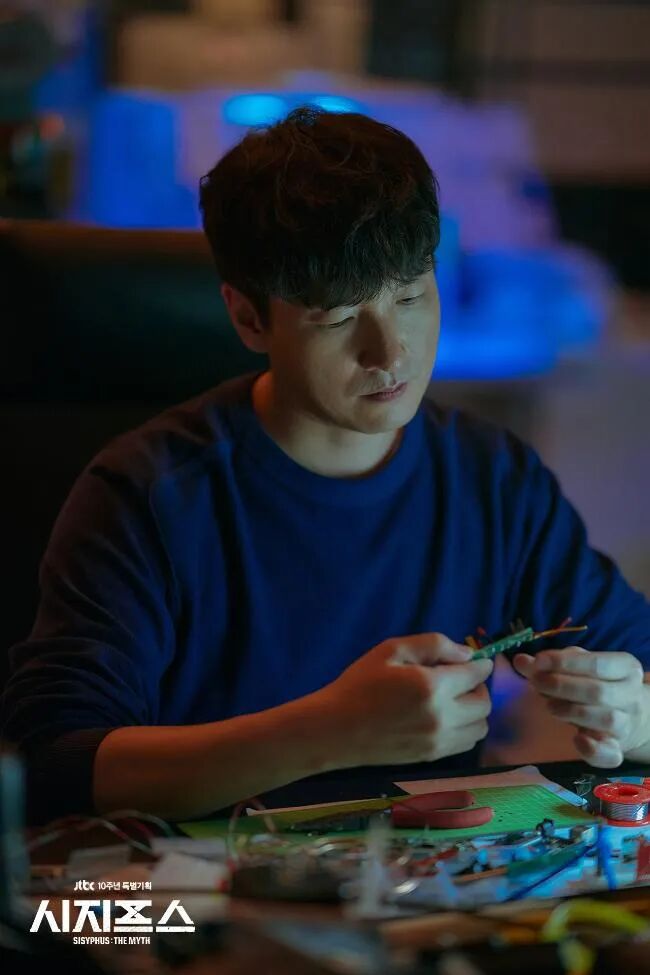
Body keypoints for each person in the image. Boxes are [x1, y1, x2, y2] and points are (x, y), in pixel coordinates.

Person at [2, 108, 650, 824]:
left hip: (429, 880)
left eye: (411, 296)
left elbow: (637, 665)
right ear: (249, 318)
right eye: (339, 319)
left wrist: (634, 714)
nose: (391, 353)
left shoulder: (492, 478)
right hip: (200, 885)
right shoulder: (148, 494)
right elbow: (54, 765)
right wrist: (328, 733)